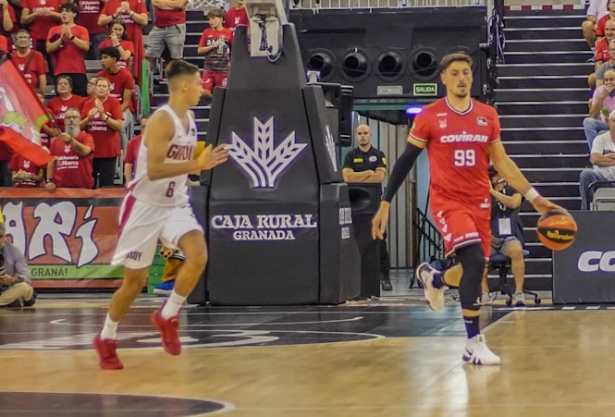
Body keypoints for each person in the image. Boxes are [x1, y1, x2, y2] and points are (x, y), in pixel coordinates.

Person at [371, 52, 562, 366]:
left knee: (476, 267)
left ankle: (436, 280)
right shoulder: (430, 115)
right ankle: (473, 342)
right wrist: (385, 202)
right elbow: (405, 161)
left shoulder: (487, 114)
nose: (462, 78)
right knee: (473, 260)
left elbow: (502, 162)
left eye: (466, 73)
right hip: (448, 202)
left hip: (480, 203)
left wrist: (533, 196)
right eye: (455, 73)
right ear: (443, 78)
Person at [93, 59, 229, 370]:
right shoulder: (161, 121)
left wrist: (201, 162)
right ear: (184, 86)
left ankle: (168, 315)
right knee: (134, 282)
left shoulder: (191, 119)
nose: (202, 88)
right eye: (198, 83)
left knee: (198, 255)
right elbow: (154, 170)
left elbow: (180, 165)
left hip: (174, 203)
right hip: (144, 205)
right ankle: (106, 336)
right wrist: (198, 164)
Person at [342, 124, 392, 291]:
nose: (362, 136)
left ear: (371, 135)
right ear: (356, 137)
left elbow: (380, 177)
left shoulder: (378, 155)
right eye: (359, 134)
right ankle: (357, 277)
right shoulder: (350, 155)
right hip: (355, 207)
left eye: (365, 133)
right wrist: (369, 172)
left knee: (380, 240)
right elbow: (346, 177)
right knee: (356, 240)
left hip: (375, 206)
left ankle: (385, 276)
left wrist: (362, 175)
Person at [480, 166, 526, 307]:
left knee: (516, 250)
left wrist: (493, 192)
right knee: (478, 254)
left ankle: (518, 293)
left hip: (508, 236)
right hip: (490, 236)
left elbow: (514, 203)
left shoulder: (513, 188)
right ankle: (484, 293)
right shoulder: (482, 191)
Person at [80, 77, 124, 187]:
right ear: (95, 88)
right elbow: (78, 128)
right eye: (99, 86)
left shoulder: (114, 103)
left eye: (104, 86)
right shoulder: (87, 104)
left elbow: (119, 126)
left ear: (109, 90)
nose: (101, 88)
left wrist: (104, 117)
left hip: (108, 151)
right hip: (91, 150)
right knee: (90, 183)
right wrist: (88, 119)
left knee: (107, 184)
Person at [46, 2, 90, 97]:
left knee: (80, 100)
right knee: (62, 100)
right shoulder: (53, 30)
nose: (64, 13)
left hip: (78, 71)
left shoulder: (82, 29)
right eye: (62, 11)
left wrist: (71, 36)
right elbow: (49, 48)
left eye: (67, 11)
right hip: (60, 71)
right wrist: (61, 39)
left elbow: (86, 46)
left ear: (74, 14)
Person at [46, 107, 95, 190]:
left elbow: (85, 152)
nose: (71, 120)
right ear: (64, 121)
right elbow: (51, 161)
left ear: (79, 120)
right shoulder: (57, 140)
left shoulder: (87, 137)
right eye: (68, 118)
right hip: (60, 188)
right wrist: (49, 181)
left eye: (74, 117)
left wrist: (71, 140)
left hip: (83, 188)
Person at [579, 110, 615, 209]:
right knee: (586, 174)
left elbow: (599, 159)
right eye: (614, 121)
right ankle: (586, 213)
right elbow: (595, 159)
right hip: (602, 179)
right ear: (608, 122)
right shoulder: (600, 139)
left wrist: (605, 158)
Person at [198, 9, 232, 100]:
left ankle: (217, 107)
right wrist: (213, 45)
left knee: (223, 95)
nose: (210, 21)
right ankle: (214, 103)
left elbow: (233, 49)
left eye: (213, 18)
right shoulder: (207, 32)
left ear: (221, 19)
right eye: (209, 19)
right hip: (209, 68)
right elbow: (200, 50)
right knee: (205, 93)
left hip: (223, 69)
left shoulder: (228, 33)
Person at [0, 223, 36, 308]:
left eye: (0, 236)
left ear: (4, 237)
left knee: (24, 287)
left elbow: (27, 276)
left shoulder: (14, 251)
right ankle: (9, 301)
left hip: (8, 288)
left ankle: (9, 301)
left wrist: (12, 280)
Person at [9, 29, 48, 94]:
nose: (23, 40)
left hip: (33, 94)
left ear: (29, 41)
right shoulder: (10, 57)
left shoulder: (37, 55)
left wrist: (41, 94)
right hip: (16, 94)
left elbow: (42, 77)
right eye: (20, 37)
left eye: (25, 37)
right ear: (15, 41)